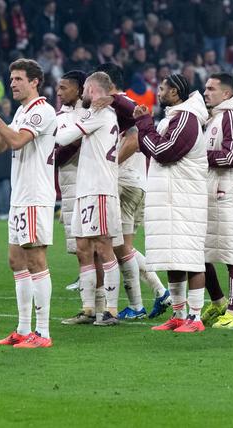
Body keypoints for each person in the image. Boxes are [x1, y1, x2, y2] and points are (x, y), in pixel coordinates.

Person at [0, 59, 57, 348]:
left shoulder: (42, 110)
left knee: (35, 259)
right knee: (16, 260)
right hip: (20, 197)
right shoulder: (21, 111)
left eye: (19, 79)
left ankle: (42, 333)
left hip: (35, 195)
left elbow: (18, 141)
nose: (13, 84)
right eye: (11, 79)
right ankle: (22, 329)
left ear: (34, 81)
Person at [93, 63, 170, 320]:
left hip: (125, 183)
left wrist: (110, 166)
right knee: (122, 247)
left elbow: (135, 138)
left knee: (119, 247)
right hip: (136, 182)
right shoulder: (124, 104)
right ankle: (151, 297)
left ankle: (146, 300)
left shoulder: (120, 106)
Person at [134, 74, 210, 334]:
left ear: (176, 92)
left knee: (190, 259)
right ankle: (178, 314)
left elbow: (162, 152)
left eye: (163, 88)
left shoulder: (187, 118)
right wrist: (145, 123)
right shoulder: (173, 117)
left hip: (184, 198)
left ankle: (196, 317)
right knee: (173, 257)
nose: (158, 91)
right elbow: (155, 149)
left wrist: (144, 124)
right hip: (171, 198)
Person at [54, 71, 123, 327]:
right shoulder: (96, 113)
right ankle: (88, 309)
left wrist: (50, 125)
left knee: (104, 248)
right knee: (83, 247)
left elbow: (62, 138)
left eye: (84, 88)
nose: (81, 92)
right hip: (85, 189)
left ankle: (112, 310)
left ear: (92, 90)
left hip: (100, 189)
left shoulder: (102, 114)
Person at [198, 73, 233, 329]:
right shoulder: (216, 117)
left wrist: (198, 155)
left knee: (232, 253)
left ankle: (232, 311)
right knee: (201, 252)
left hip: (227, 194)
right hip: (211, 192)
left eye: (211, 89)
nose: (206, 92)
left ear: (226, 94)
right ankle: (218, 301)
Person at [53, 70, 87, 297]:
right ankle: (85, 276)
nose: (58, 92)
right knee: (78, 238)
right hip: (69, 182)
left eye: (64, 88)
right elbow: (54, 157)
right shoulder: (58, 116)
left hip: (90, 182)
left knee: (105, 243)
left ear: (79, 89)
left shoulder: (92, 114)